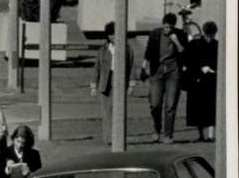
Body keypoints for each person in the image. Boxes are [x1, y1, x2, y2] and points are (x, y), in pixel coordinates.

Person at [142, 12, 188, 143]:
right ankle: (156, 128)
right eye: (166, 27)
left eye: (170, 27)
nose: (168, 30)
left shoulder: (180, 34)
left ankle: (168, 135)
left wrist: (176, 41)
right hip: (157, 70)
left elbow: (183, 52)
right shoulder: (155, 34)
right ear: (163, 25)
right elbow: (148, 52)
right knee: (155, 103)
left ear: (174, 27)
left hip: (173, 71)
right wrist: (143, 67)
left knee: (170, 105)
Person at [90, 21, 136, 145]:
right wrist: (94, 85)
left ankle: (119, 138)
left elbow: (131, 66)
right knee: (107, 111)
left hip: (120, 80)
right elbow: (97, 68)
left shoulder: (127, 49)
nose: (113, 37)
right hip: (106, 82)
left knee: (119, 110)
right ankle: (108, 139)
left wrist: (131, 85)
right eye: (110, 35)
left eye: (115, 34)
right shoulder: (103, 50)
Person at [184, 20, 218, 142]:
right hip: (197, 80)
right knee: (198, 108)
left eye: (212, 36)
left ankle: (210, 135)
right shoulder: (195, 44)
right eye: (208, 35)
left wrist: (212, 69)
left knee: (211, 108)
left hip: (211, 80)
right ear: (204, 33)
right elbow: (189, 60)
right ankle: (201, 135)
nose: (210, 38)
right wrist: (200, 68)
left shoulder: (217, 45)